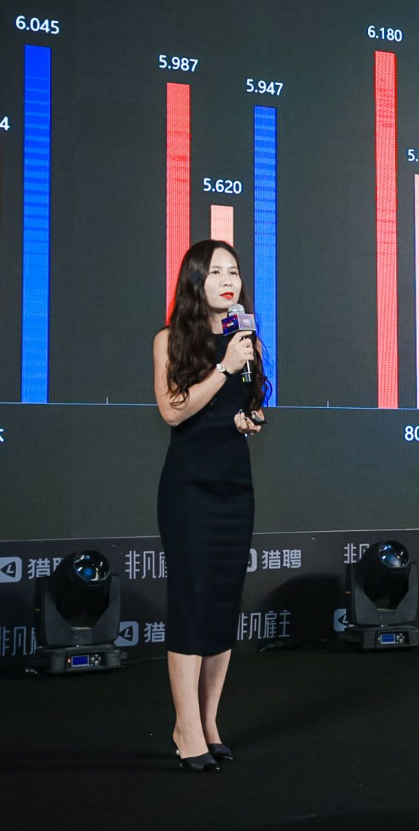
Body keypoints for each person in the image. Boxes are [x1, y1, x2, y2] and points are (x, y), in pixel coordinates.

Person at [153, 239, 270, 772]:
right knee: (192, 603)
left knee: (223, 603)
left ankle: (209, 721)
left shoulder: (247, 340)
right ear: (195, 281)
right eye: (217, 272)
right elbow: (174, 411)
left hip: (234, 488)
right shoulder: (170, 340)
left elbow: (248, 407)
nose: (229, 281)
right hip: (190, 490)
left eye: (235, 272)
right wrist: (223, 367)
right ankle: (185, 728)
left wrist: (250, 419)